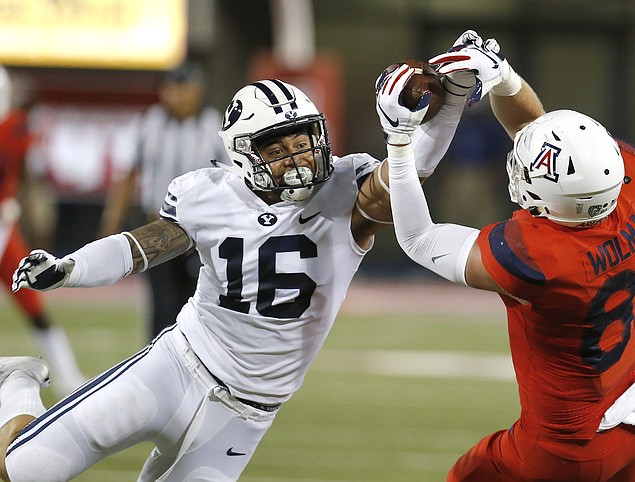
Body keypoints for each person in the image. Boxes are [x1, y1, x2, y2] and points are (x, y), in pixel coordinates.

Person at [0, 71, 465, 481]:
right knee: (26, 470)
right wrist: (72, 267)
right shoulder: (208, 193)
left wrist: (448, 103)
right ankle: (20, 383)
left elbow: (412, 172)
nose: (297, 156)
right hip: (177, 368)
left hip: (246, 412)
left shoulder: (347, 190)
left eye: (302, 141)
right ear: (244, 154)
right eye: (277, 148)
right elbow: (144, 246)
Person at [380, 29, 635, 481]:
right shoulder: (630, 185)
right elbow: (535, 135)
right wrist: (502, 76)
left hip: (564, 452)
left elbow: (418, 238)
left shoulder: (538, 256)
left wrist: (400, 139)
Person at [99, 58, 230, 339]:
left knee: (198, 306)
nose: (179, 95)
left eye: (186, 88)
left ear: (199, 91)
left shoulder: (212, 126)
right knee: (162, 307)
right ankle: (157, 369)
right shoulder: (150, 123)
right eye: (174, 88)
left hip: (202, 234)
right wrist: (111, 224)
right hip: (158, 229)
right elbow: (129, 174)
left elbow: (231, 181)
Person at [0, 66, 86, 397]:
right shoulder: (16, 127)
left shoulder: (15, 128)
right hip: (7, 224)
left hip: (6, 228)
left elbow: (24, 174)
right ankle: (67, 375)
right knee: (34, 307)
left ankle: (67, 376)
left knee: (33, 305)